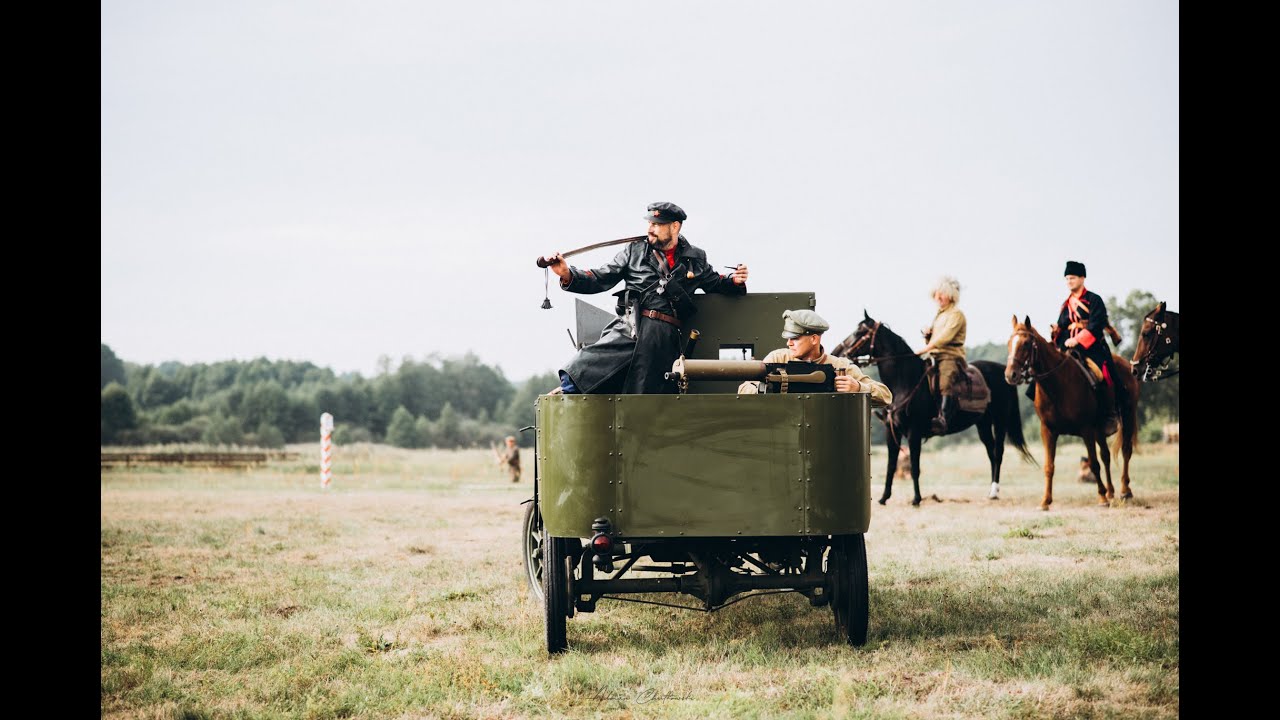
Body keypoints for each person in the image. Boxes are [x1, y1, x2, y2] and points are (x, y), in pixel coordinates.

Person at [544, 202, 748, 394]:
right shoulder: (635, 251)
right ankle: (565, 392)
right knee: (580, 370)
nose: (651, 229)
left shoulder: (695, 259)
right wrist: (567, 274)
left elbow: (716, 282)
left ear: (675, 227)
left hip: (664, 340)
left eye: (658, 224)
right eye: (650, 223)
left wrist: (735, 280)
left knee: (645, 398)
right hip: (631, 329)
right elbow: (601, 277)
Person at [737, 309, 893, 405]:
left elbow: (886, 396)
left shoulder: (840, 366)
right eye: (788, 338)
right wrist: (763, 388)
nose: (789, 343)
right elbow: (744, 389)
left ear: (814, 339)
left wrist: (859, 388)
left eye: (795, 338)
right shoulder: (777, 358)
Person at [1055, 260, 1122, 435]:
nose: (1069, 281)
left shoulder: (1094, 299)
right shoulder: (1066, 304)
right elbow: (1061, 325)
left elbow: (1096, 324)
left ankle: (1110, 414)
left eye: (1073, 278)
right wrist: (1055, 334)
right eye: (1067, 278)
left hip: (1091, 346)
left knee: (1104, 373)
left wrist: (1077, 339)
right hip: (1067, 345)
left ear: (1082, 278)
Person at [916, 276, 967, 433]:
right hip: (934, 355)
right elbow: (935, 338)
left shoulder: (956, 314)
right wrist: (928, 335)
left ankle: (943, 419)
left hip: (950, 356)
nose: (937, 298)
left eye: (941, 294)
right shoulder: (940, 314)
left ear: (951, 295)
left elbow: (945, 337)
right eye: (936, 294)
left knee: (945, 381)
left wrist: (925, 348)